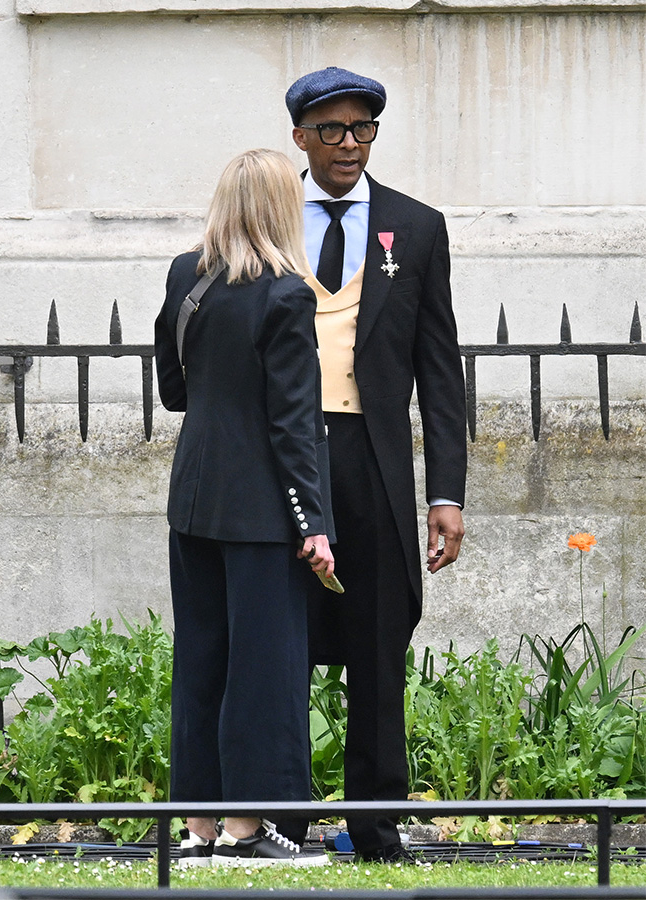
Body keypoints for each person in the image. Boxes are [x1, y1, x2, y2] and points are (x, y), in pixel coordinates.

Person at [278, 67, 467, 863]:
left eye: (364, 130)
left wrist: (448, 493)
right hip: (282, 457)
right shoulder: (267, 220)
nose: (350, 145)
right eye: (332, 131)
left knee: (379, 637)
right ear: (300, 138)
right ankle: (279, 816)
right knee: (278, 636)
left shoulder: (415, 227)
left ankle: (375, 823)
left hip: (373, 459)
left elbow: (439, 366)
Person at [154, 148, 335, 868]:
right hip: (263, 508)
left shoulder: (184, 274)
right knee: (265, 669)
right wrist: (313, 521)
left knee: (201, 662)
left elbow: (172, 388)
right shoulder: (287, 294)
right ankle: (251, 831)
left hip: (194, 494)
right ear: (281, 207)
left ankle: (197, 828)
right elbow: (293, 422)